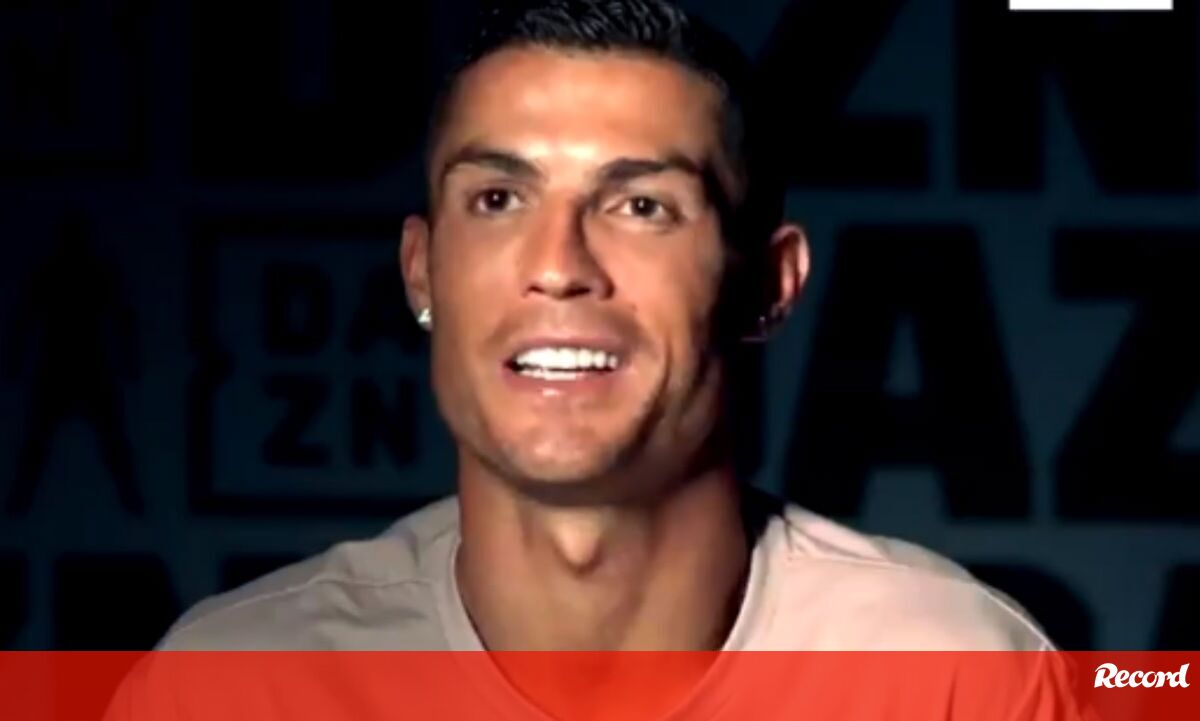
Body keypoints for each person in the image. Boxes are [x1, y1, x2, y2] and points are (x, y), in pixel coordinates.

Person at [158, 0, 1053, 656]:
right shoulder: (233, 680)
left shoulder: (954, 666)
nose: (559, 264)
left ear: (768, 285)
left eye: (641, 205)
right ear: (421, 269)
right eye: (498, 199)